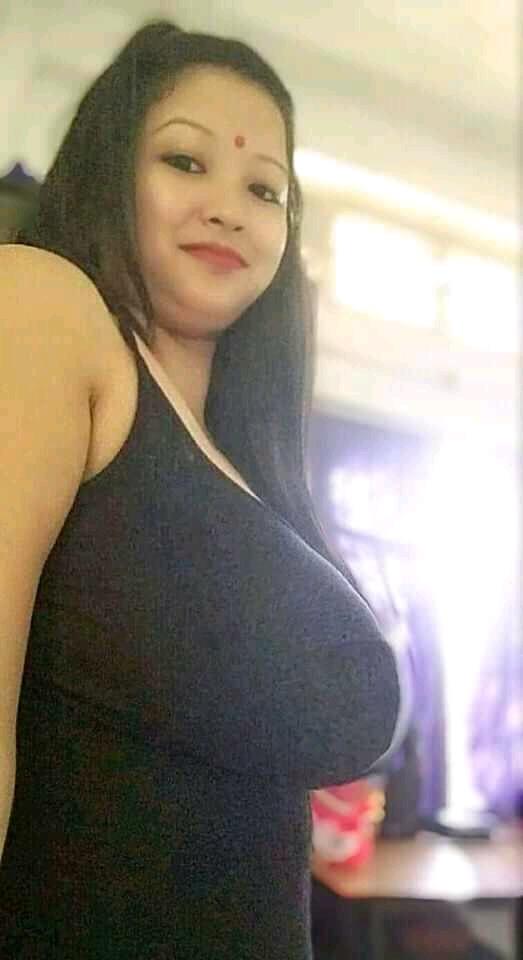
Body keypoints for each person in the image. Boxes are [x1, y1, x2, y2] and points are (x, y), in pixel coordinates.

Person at [0, 20, 401, 959]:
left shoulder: (247, 470)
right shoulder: (45, 304)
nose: (229, 209)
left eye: (265, 189)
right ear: (110, 172)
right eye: (185, 161)